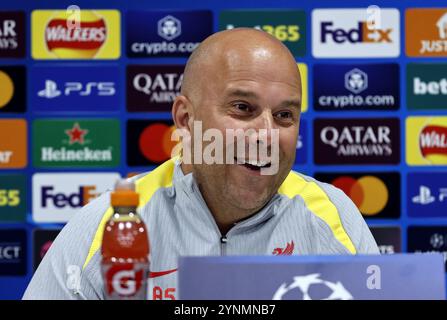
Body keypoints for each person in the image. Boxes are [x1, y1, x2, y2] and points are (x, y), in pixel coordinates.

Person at [23, 28, 379, 300]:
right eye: (243, 108)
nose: (267, 135)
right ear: (185, 117)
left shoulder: (333, 218)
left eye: (285, 115)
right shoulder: (107, 226)